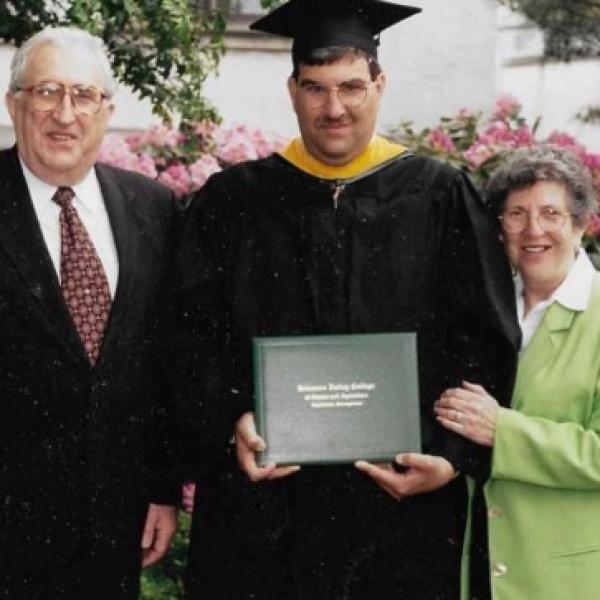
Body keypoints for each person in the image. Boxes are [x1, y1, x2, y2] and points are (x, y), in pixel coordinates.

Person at [171, 1, 519, 598]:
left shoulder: (439, 195)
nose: (335, 108)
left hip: (401, 503)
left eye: (353, 87)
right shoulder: (234, 202)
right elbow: (188, 339)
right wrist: (232, 424)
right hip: (266, 508)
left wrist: (451, 457)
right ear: (292, 89)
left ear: (380, 84)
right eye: (316, 88)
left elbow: (483, 340)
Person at [0, 27, 179, 600]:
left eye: (83, 96)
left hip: (112, 522)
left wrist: (162, 487)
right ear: (14, 103)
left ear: (106, 110)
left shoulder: (153, 208)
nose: (64, 113)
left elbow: (164, 361)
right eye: (47, 91)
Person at [436, 144, 600, 600]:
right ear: (499, 230)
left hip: (570, 580)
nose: (534, 230)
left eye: (552, 213)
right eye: (516, 215)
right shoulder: (483, 313)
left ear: (582, 224)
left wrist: (503, 431)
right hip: (485, 568)